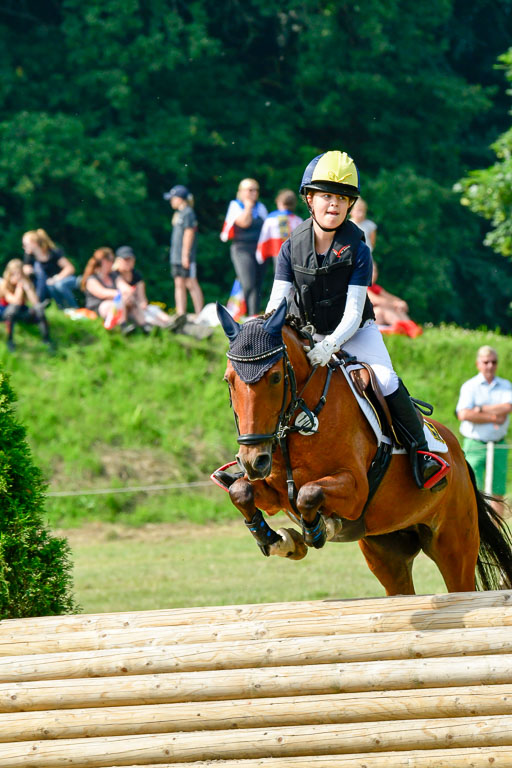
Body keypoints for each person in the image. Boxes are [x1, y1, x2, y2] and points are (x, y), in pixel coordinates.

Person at [264, 150, 449, 491]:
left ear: (350, 205)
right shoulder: (290, 247)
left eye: (342, 198)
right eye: (326, 196)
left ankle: (421, 452)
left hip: (355, 332)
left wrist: (330, 346)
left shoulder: (359, 251)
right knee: (267, 377)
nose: (334, 203)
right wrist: (264, 334)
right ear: (309, 199)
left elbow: (352, 312)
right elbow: (276, 301)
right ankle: (253, 455)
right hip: (307, 334)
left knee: (385, 378)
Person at [456, 345, 512, 517]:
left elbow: (508, 407)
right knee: (472, 490)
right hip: (475, 444)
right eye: (486, 362)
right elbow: (464, 414)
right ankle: (476, 528)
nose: (490, 366)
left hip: (498, 444)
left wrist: (480, 409)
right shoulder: (470, 386)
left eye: (493, 362)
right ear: (478, 364)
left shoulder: (505, 385)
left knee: (497, 492)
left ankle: (496, 530)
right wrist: (494, 417)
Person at [220, 178, 268, 316]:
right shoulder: (236, 205)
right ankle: (239, 312)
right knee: (248, 283)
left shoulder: (261, 207)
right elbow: (244, 223)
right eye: (250, 190)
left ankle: (253, 316)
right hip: (241, 249)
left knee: (258, 284)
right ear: (241, 192)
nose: (254, 193)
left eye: (256, 190)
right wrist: (248, 207)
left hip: (258, 250)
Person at [164, 185, 204, 318]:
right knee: (179, 283)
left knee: (191, 283)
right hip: (176, 256)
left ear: (180, 198)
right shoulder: (179, 213)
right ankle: (180, 314)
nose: (171, 201)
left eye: (173, 198)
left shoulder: (188, 213)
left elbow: (189, 233)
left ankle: (200, 314)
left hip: (184, 256)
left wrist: (185, 255)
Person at [113, 246, 175, 329]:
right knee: (147, 317)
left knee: (153, 310)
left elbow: (142, 297)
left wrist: (143, 303)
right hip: (122, 307)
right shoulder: (114, 275)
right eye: (125, 260)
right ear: (118, 261)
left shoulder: (136, 275)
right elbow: (125, 290)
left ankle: (171, 323)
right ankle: (164, 327)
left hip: (136, 305)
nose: (128, 262)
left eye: (130, 259)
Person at [0, 259, 52, 352]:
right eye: (14, 274)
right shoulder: (4, 284)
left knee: (39, 308)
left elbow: (35, 302)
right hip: (6, 314)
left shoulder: (25, 282)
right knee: (14, 308)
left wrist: (27, 288)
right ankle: (10, 340)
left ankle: (47, 340)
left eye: (19, 274)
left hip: (21, 312)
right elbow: (16, 301)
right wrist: (19, 287)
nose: (17, 277)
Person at [81, 247, 134, 334]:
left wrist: (127, 293)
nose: (113, 263)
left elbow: (124, 287)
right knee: (117, 302)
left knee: (128, 302)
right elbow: (102, 293)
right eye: (111, 260)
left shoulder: (114, 276)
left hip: (116, 304)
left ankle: (144, 326)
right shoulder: (92, 279)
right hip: (98, 308)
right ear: (104, 261)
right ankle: (122, 326)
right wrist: (120, 294)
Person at [22, 229, 78, 309]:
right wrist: (28, 271)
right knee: (45, 282)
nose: (23, 247)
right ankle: (45, 306)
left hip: (60, 280)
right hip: (45, 285)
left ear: (34, 243)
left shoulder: (53, 252)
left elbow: (70, 268)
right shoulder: (30, 256)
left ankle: (74, 308)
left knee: (57, 285)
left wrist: (56, 278)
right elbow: (26, 269)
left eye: (25, 244)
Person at [368, 262, 423, 338]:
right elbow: (376, 300)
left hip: (374, 318)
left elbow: (390, 297)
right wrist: (395, 304)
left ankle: (410, 327)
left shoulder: (375, 287)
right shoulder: (362, 286)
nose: (374, 274)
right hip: (365, 320)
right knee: (382, 310)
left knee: (397, 309)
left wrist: (400, 302)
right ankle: (406, 329)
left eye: (375, 271)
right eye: (371, 270)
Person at [256, 189, 303, 269]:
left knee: (279, 272)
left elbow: (264, 236)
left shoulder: (271, 219)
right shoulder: (298, 220)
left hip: (277, 252)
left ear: (279, 202)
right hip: (295, 254)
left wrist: (260, 254)